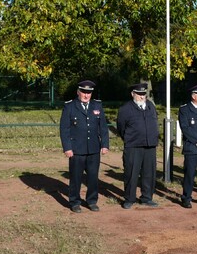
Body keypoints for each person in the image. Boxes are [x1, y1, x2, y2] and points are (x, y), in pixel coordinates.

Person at [60, 80, 109, 213]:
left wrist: (105, 144)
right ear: (78, 92)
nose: (86, 95)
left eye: (89, 93)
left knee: (93, 177)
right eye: (84, 92)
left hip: (93, 148)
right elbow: (64, 129)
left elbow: (103, 127)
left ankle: (92, 201)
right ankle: (74, 202)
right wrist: (67, 148)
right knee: (76, 177)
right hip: (77, 149)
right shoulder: (70, 106)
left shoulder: (97, 105)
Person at [117, 83, 159, 209]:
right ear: (132, 94)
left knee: (149, 173)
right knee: (131, 173)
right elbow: (121, 127)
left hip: (150, 145)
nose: (142, 96)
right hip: (133, 145)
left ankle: (147, 197)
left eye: (143, 94)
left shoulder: (150, 106)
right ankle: (129, 198)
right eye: (139, 94)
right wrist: (130, 139)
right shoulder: (125, 109)